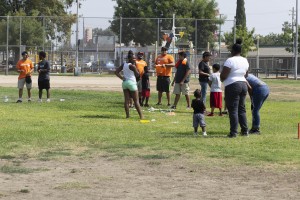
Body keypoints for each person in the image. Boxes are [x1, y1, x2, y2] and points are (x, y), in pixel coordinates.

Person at [220, 39, 249, 138]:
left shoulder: (230, 60)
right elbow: (246, 74)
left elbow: (224, 75)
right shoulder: (245, 60)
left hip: (232, 85)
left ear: (232, 51)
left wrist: (222, 79)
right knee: (242, 109)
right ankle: (245, 131)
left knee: (233, 109)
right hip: (243, 84)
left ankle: (233, 132)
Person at [115, 51, 143, 119]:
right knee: (136, 101)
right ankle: (141, 116)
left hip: (125, 83)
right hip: (132, 83)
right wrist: (136, 67)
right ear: (130, 59)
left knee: (126, 100)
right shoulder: (132, 66)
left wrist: (122, 78)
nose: (135, 60)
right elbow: (137, 75)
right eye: (133, 59)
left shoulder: (124, 64)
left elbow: (116, 72)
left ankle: (127, 116)